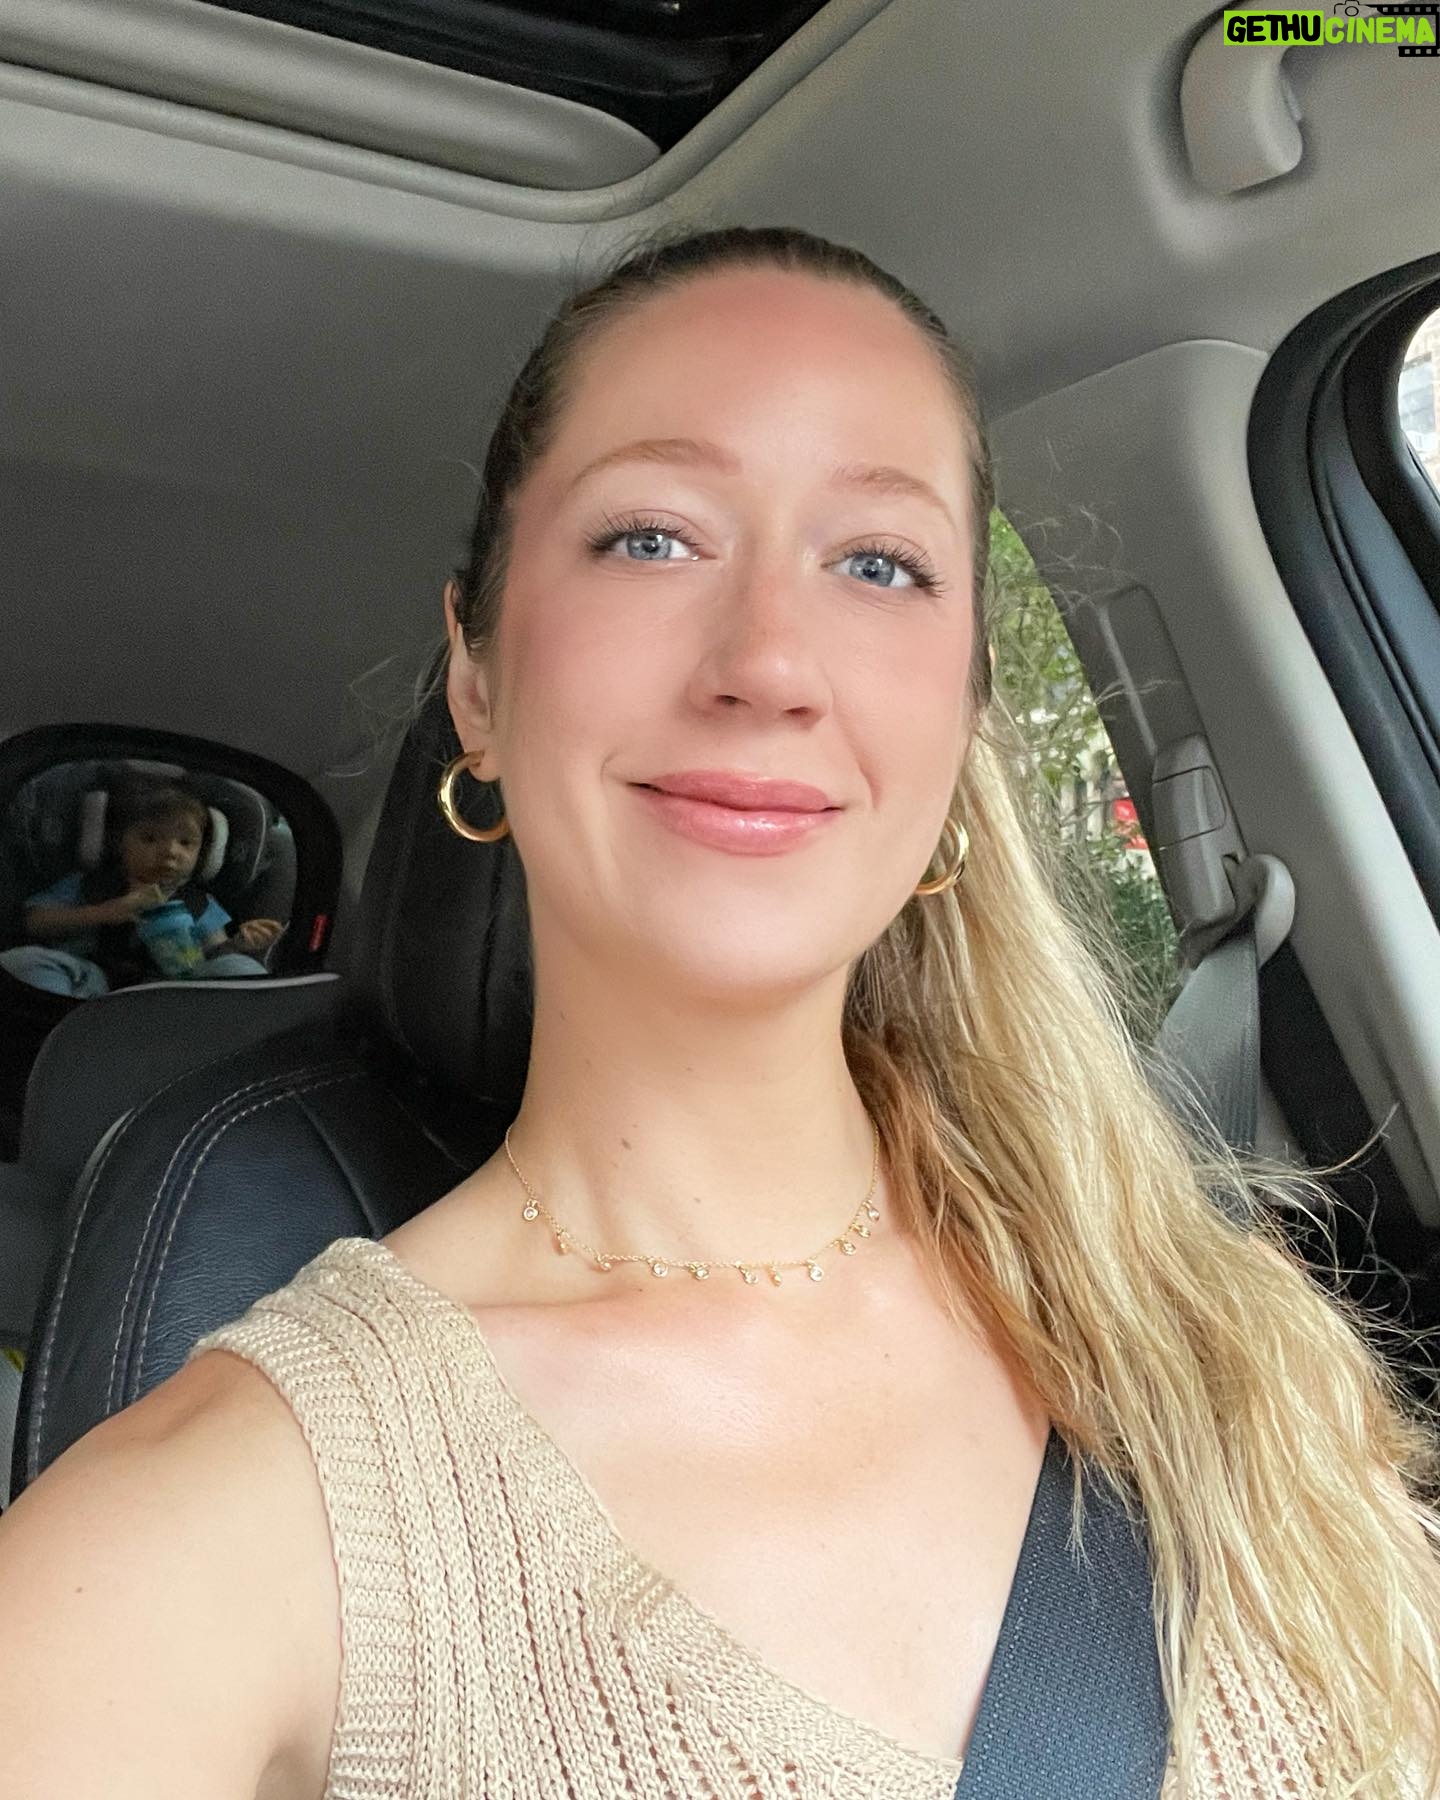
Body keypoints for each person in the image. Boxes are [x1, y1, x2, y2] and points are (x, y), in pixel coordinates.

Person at [0, 226, 1436, 1799]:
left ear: (962, 713)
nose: (769, 661)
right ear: (477, 679)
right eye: (651, 538)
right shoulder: (219, 1529)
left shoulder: (1224, 1338)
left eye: (879, 564)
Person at [0, 773, 283, 996]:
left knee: (241, 968)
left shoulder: (198, 902)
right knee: (19, 961)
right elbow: (33, 922)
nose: (170, 852)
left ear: (205, 854)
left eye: (185, 842)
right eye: (149, 838)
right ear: (118, 843)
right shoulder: (91, 884)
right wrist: (104, 912)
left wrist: (238, 944)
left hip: (173, 994)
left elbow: (215, 955)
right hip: (93, 983)